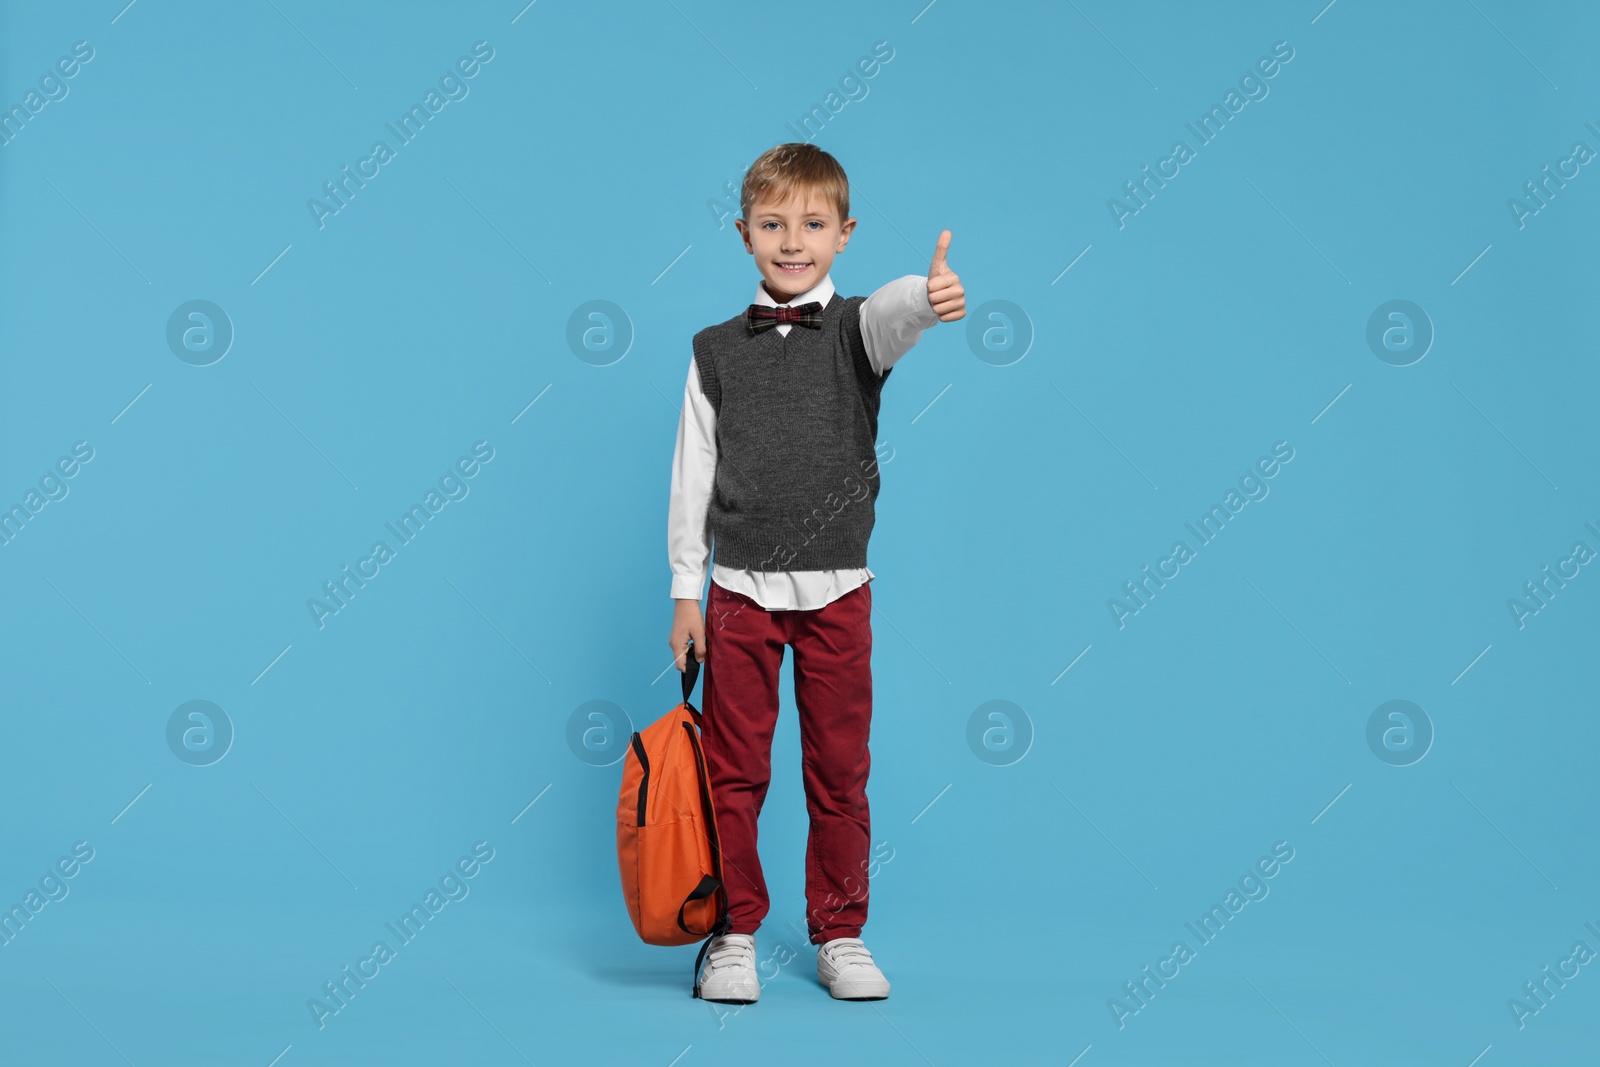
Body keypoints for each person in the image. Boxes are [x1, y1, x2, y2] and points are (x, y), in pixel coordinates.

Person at [666, 141, 964, 1003]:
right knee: (734, 768)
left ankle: (840, 930)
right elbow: (691, 474)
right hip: (736, 594)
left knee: (839, 770)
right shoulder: (716, 350)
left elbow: (900, 312)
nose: (792, 241)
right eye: (772, 224)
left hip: (839, 592)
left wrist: (930, 296)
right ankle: (733, 929)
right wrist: (687, 590)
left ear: (843, 234)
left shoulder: (859, 332)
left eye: (812, 225)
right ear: (744, 233)